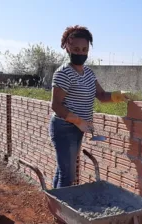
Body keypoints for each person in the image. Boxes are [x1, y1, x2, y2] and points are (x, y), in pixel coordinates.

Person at [50, 25, 130, 189]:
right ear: (67, 47)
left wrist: (119, 95)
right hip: (64, 128)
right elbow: (56, 105)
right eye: (76, 48)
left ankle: (54, 203)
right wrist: (78, 121)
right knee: (68, 174)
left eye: (84, 49)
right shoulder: (63, 73)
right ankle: (62, 211)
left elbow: (101, 96)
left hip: (78, 128)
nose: (80, 52)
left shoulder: (88, 73)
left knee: (63, 169)